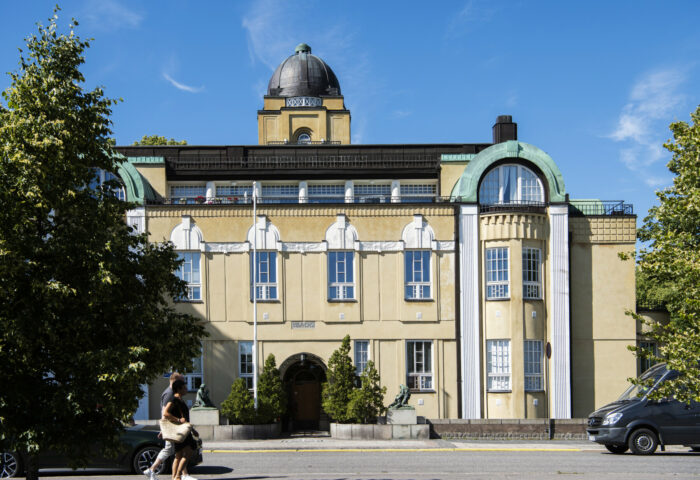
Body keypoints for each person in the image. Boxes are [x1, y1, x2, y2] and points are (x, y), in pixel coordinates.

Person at [143, 373, 197, 480]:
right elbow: (165, 413)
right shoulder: (170, 395)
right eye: (183, 383)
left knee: (178, 454)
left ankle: (179, 476)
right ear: (177, 383)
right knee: (175, 451)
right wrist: (164, 429)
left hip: (180, 429)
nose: (186, 387)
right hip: (176, 429)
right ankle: (155, 470)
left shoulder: (175, 396)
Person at [164, 379, 198, 480]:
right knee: (189, 452)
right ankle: (178, 475)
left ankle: (174, 477)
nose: (186, 390)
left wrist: (192, 430)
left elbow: (186, 419)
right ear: (178, 389)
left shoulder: (180, 400)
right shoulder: (173, 400)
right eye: (184, 388)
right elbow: (166, 413)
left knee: (178, 456)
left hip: (183, 430)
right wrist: (178, 420)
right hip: (180, 431)